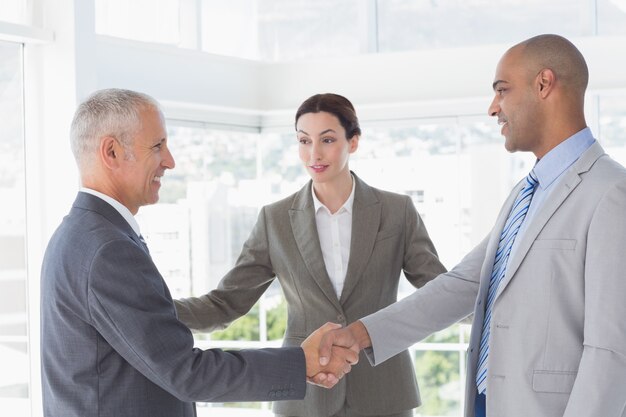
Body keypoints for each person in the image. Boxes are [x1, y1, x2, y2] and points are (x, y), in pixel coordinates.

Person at [317, 34, 626, 417]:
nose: (494, 107)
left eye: (502, 90)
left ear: (544, 84)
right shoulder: (525, 193)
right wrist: (360, 335)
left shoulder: (611, 193)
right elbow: (462, 285)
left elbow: (611, 351)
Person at [40, 88, 358, 417]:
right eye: (157, 146)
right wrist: (300, 361)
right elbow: (186, 372)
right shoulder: (108, 249)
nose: (170, 160)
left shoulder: (79, 235)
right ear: (112, 152)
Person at [174, 93, 446, 417]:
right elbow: (225, 303)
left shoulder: (397, 211)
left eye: (327, 139)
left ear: (353, 141)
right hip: (304, 398)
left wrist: (493, 299)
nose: (314, 153)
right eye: (304, 141)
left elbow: (440, 291)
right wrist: (151, 311)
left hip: (384, 391)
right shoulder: (274, 220)